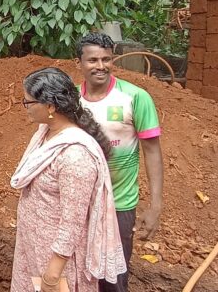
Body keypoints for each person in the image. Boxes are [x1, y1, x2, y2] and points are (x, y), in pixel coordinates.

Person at [10, 67, 126, 292]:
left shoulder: (75, 156)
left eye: (29, 103)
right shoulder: (46, 134)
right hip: (33, 250)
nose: (26, 109)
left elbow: (72, 221)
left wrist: (53, 273)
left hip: (56, 262)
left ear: (50, 106)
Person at [75, 33, 164, 292]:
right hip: (79, 203)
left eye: (106, 59)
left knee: (113, 279)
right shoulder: (71, 101)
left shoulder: (135, 98)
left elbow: (152, 151)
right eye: (92, 60)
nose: (100, 66)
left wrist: (155, 206)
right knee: (78, 274)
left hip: (119, 205)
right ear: (79, 62)